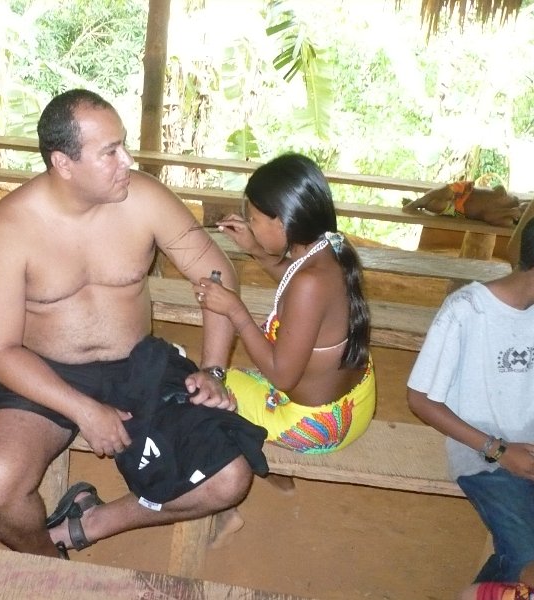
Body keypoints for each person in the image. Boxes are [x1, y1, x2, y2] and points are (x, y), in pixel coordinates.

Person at [0, 88, 264, 559]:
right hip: (47, 372)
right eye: (110, 152)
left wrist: (213, 368)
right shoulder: (9, 229)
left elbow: (216, 273)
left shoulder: (144, 198)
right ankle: (48, 564)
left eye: (123, 144)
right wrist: (84, 410)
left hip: (139, 366)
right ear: (64, 163)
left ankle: (88, 524)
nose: (127, 160)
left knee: (229, 480)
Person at [194, 152, 376, 534]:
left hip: (318, 425)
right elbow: (294, 280)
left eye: (255, 220)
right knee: (231, 379)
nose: (251, 225)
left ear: (284, 221)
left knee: (206, 393)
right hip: (354, 401)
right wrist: (255, 247)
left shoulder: (311, 283)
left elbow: (282, 377)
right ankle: (274, 470)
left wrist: (234, 309)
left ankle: (225, 504)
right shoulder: (329, 248)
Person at [407, 219, 534, 591]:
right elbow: (419, 399)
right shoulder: (468, 310)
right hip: (483, 453)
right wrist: (499, 450)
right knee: (525, 557)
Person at [402, 180, 527, 228]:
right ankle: (417, 203)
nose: (526, 207)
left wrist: (511, 212)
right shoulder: (513, 199)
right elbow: (497, 188)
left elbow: (488, 216)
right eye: (528, 206)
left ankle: (421, 203)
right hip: (466, 190)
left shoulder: (508, 221)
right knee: (447, 191)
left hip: (459, 210)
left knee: (435, 205)